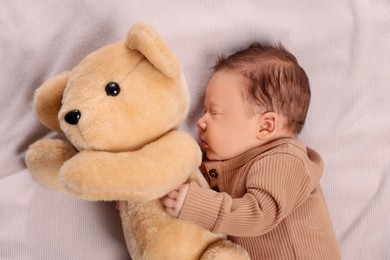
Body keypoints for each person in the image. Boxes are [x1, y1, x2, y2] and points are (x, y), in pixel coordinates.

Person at [161, 43, 341, 259]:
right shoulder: (224, 164)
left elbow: (259, 214)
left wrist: (198, 205)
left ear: (265, 126)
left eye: (214, 113)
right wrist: (146, 195)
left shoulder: (285, 158)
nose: (200, 121)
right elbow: (183, 186)